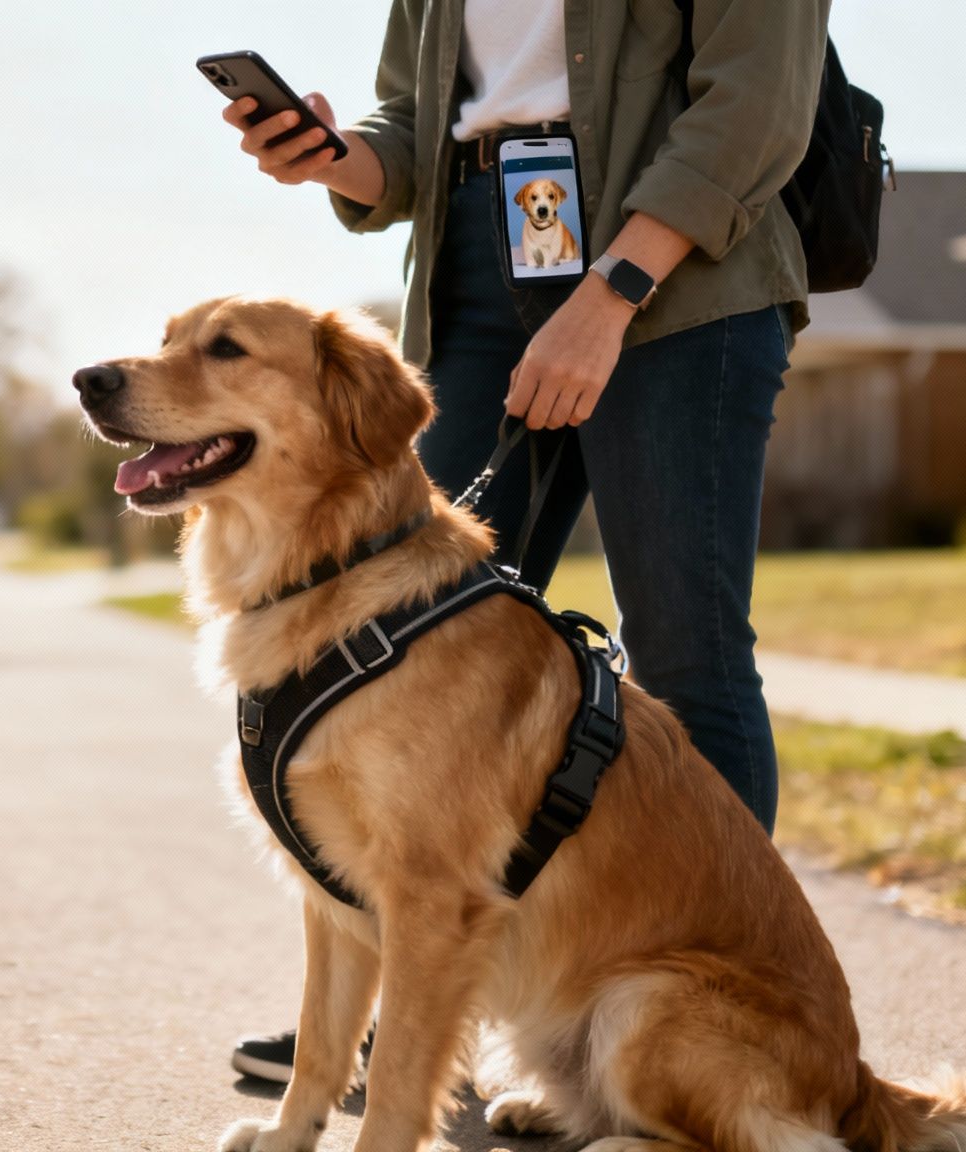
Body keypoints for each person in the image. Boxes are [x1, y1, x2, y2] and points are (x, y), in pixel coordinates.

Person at [216, 0, 830, 1084]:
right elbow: (412, 128)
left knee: (686, 654)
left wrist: (608, 296)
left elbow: (752, 109)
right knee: (402, 652)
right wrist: (334, 159)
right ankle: (397, 1025)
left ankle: (734, 1033)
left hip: (681, 273)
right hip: (475, 258)